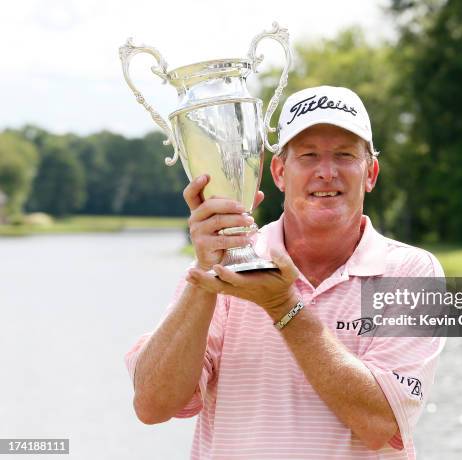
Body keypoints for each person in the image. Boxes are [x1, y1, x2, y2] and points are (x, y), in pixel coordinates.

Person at [125, 85, 445, 459]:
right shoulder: (227, 264)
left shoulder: (412, 273)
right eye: (308, 156)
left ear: (370, 172)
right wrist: (203, 278)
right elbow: (152, 405)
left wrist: (283, 307)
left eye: (344, 155)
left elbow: (380, 423)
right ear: (278, 172)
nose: (327, 172)